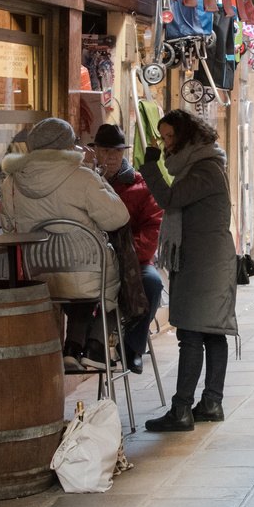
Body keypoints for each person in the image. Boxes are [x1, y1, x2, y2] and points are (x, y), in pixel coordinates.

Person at [0, 117, 131, 370]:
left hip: (39, 276)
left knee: (82, 287)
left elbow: (8, 228)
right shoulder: (83, 177)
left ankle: (72, 349)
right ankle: (96, 346)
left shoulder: (11, 182)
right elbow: (119, 218)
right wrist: (99, 179)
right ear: (68, 145)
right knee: (119, 279)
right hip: (88, 271)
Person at [140, 109, 239, 430]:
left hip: (207, 264)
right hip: (201, 261)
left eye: (171, 137)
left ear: (186, 136)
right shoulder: (200, 166)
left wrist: (149, 166)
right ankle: (210, 403)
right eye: (163, 137)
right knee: (205, 333)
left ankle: (183, 410)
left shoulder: (205, 169)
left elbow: (169, 197)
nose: (167, 144)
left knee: (197, 334)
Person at [89, 122, 164, 374]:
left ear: (124, 154)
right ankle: (90, 345)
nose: (111, 157)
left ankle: (132, 347)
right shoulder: (86, 183)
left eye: (117, 152)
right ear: (96, 151)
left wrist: (125, 255)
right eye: (106, 151)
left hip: (134, 260)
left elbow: (152, 229)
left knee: (152, 283)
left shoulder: (141, 186)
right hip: (94, 262)